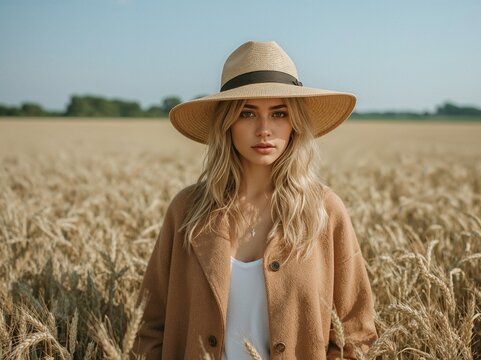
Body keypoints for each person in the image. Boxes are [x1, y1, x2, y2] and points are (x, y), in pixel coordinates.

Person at [131, 40, 377, 360]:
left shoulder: (324, 211)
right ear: (227, 123)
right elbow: (149, 326)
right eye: (247, 113)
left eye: (279, 113)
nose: (264, 129)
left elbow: (356, 332)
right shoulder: (187, 210)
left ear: (294, 125)